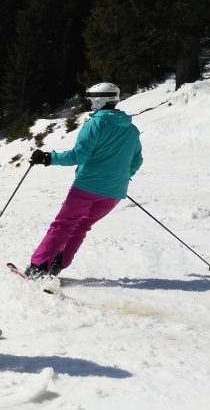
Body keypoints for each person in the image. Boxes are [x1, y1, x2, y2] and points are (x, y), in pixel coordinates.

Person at [25, 82, 143, 279]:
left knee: (64, 224)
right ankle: (57, 265)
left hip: (87, 187)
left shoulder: (95, 123)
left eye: (91, 99)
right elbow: (137, 160)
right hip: (114, 192)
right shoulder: (131, 129)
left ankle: (38, 268)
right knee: (81, 226)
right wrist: (118, 178)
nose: (89, 103)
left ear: (99, 100)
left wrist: (48, 158)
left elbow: (78, 156)